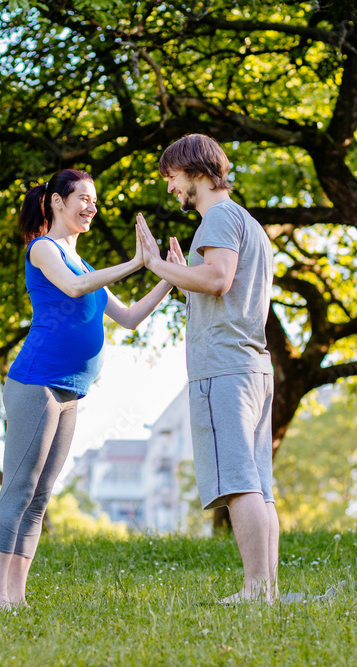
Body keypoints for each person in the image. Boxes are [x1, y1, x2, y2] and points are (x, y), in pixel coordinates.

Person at [0, 168, 183, 610]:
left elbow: (129, 317)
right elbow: (73, 289)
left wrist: (169, 277)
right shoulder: (43, 249)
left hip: (72, 391)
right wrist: (136, 262)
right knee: (19, 488)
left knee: (39, 498)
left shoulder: (86, 263)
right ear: (57, 201)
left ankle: (15, 599)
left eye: (95, 200)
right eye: (84, 198)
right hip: (36, 383)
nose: (92, 206)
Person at [136, 134, 278, 604]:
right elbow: (219, 287)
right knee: (258, 486)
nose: (170, 188)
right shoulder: (248, 223)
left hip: (224, 369)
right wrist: (181, 276)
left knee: (238, 483)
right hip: (252, 367)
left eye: (171, 177)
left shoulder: (217, 217)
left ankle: (257, 590)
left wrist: (157, 266)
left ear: (194, 170)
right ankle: (267, 590)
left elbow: (217, 280)